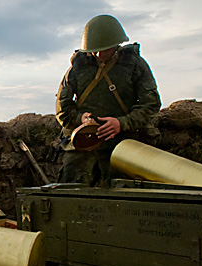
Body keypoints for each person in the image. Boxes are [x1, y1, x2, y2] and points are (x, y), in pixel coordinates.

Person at [54, 15, 161, 186]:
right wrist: (80, 119)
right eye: (94, 50)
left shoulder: (134, 65)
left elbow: (151, 104)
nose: (98, 54)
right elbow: (62, 109)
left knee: (128, 192)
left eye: (104, 49)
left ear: (115, 45)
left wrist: (122, 123)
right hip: (84, 144)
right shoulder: (77, 68)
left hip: (125, 141)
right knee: (71, 187)